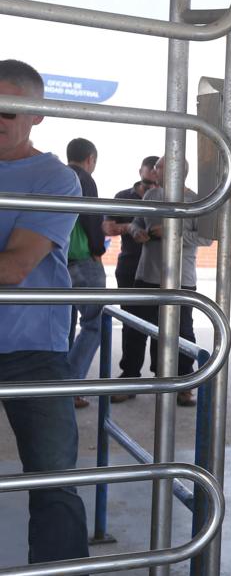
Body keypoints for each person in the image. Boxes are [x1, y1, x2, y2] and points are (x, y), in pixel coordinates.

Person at [0, 59, 91, 576]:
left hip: (34, 350)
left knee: (53, 482)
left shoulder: (54, 178)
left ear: (37, 116)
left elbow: (14, 268)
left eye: (12, 108)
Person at [124, 156, 212, 406]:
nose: (155, 170)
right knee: (136, 328)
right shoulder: (150, 197)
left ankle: (184, 385)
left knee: (182, 332)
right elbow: (135, 223)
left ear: (176, 171)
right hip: (147, 275)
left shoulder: (196, 201)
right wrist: (136, 232)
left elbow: (206, 239)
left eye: (160, 166)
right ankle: (129, 379)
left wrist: (173, 234)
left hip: (180, 279)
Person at [103, 155, 158, 403]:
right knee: (132, 322)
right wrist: (133, 227)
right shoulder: (123, 196)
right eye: (147, 183)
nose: (151, 188)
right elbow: (108, 228)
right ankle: (130, 377)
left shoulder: (168, 196)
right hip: (130, 266)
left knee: (167, 323)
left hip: (162, 268)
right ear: (140, 173)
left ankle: (166, 380)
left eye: (156, 184)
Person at [64, 137, 107, 408]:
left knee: (63, 325)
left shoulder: (57, 177)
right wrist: (97, 250)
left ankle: (56, 383)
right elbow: (92, 219)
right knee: (95, 323)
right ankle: (71, 385)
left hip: (59, 260)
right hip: (83, 261)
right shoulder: (85, 179)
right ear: (90, 158)